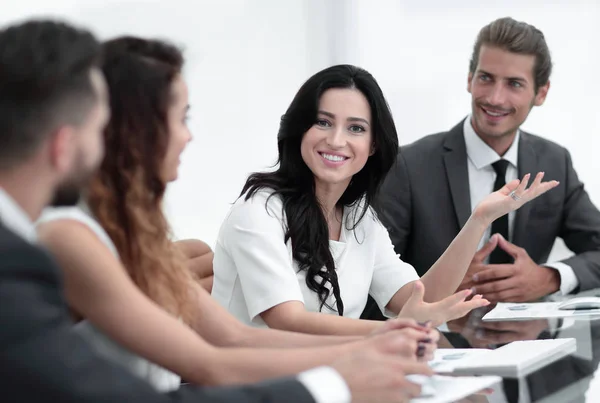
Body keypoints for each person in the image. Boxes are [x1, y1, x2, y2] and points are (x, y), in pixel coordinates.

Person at [35, 34, 434, 399]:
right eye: (181, 119)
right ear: (135, 128)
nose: (187, 136)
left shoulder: (135, 233)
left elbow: (234, 339)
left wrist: (380, 342)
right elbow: (210, 363)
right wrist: (354, 364)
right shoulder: (72, 235)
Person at [211, 63, 557, 336]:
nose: (336, 140)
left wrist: (478, 219)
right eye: (322, 122)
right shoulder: (258, 211)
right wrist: (392, 331)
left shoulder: (359, 216)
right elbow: (287, 320)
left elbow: (420, 298)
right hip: (244, 385)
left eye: (356, 128)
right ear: (299, 129)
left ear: (374, 145)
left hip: (326, 376)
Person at [365, 16, 600, 320]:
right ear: (469, 78)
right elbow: (366, 278)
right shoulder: (409, 165)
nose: (494, 98)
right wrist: (435, 285)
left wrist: (549, 278)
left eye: (514, 83)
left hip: (531, 345)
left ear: (541, 93)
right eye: (486, 78)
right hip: (432, 346)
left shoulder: (554, 162)